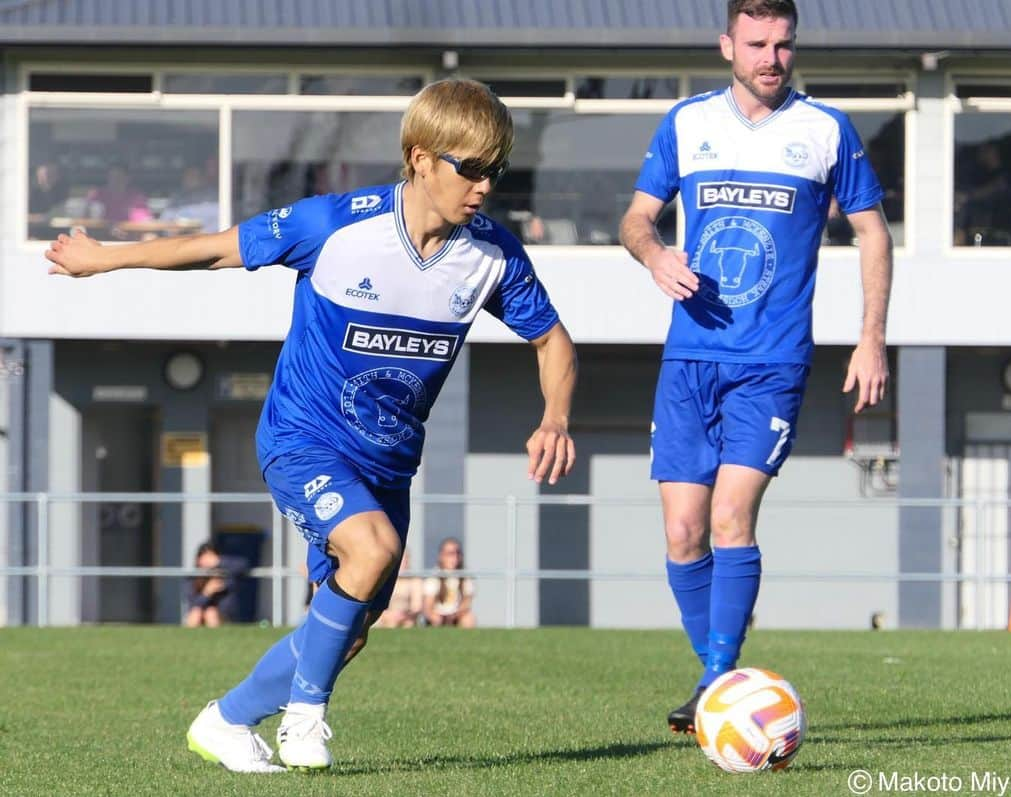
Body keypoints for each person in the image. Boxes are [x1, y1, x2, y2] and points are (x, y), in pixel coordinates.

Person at [46, 78, 578, 773]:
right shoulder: (335, 226)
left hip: (389, 465)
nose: (482, 185)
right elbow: (215, 248)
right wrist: (103, 258)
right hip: (304, 438)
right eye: (468, 167)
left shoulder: (493, 256)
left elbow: (554, 340)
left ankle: (226, 720)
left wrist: (556, 418)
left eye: (494, 169)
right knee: (372, 548)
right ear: (419, 158)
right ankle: (305, 718)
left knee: (348, 626)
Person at [619, 0, 891, 735]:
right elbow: (636, 218)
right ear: (727, 46)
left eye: (784, 44)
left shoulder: (825, 131)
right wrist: (655, 255)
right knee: (682, 530)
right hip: (689, 357)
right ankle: (723, 673)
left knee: (731, 514)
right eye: (758, 43)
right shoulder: (686, 123)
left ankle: (716, 685)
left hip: (771, 362)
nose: (773, 57)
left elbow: (871, 233)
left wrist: (871, 338)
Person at [184, 541, 249, 628]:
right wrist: (207, 593)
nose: (208, 561)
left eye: (210, 557)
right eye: (205, 557)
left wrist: (219, 562)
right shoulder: (192, 579)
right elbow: (193, 604)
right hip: (198, 617)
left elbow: (243, 564)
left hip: (223, 617)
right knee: (197, 612)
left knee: (211, 613)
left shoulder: (225, 573)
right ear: (198, 560)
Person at [422, 537, 476, 628]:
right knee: (436, 620)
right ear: (441, 556)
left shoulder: (465, 576)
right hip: (438, 616)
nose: (454, 557)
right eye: (450, 554)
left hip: (456, 616)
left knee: (469, 619)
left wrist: (454, 615)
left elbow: (467, 602)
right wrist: (438, 617)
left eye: (457, 553)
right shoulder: (433, 577)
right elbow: (428, 606)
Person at [374, 548, 422, 628]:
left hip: (407, 618)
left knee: (409, 624)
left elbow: (417, 606)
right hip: (385, 618)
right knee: (391, 624)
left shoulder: (414, 580)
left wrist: (403, 615)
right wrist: (389, 616)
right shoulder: (383, 579)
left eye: (404, 559)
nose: (402, 562)